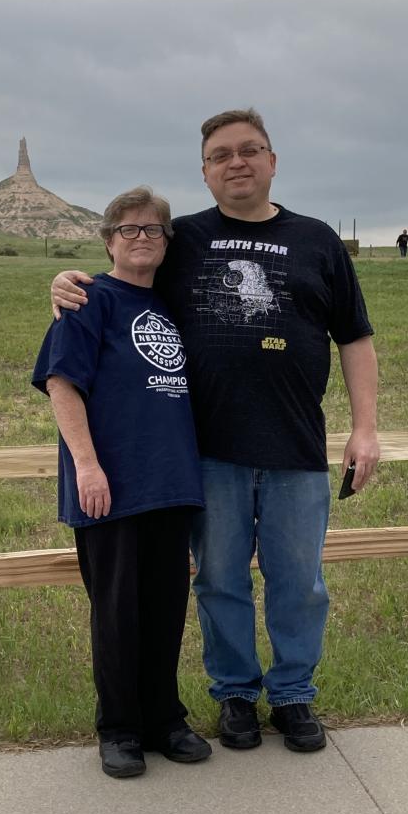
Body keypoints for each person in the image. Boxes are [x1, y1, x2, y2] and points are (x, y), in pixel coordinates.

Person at [51, 109, 379, 755]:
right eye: (221, 154)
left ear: (273, 161)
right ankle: (234, 694)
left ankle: (292, 695)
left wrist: (365, 428)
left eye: (250, 150)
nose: (237, 162)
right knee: (219, 578)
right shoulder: (184, 241)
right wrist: (63, 285)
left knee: (300, 581)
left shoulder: (317, 242)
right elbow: (124, 279)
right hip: (207, 451)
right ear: (204, 172)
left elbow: (356, 338)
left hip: (296, 447)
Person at [33, 186, 212, 779]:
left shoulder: (168, 306)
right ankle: (119, 729)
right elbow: (62, 383)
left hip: (171, 482)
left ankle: (165, 720)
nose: (142, 238)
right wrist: (87, 465)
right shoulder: (88, 301)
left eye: (153, 230)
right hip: (109, 485)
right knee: (116, 612)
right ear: (108, 240)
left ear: (166, 243)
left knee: (165, 608)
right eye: (129, 229)